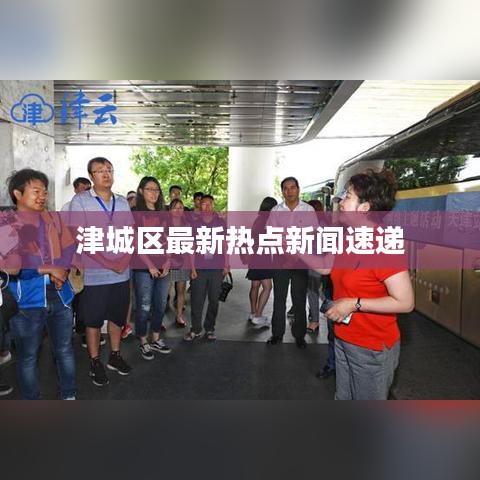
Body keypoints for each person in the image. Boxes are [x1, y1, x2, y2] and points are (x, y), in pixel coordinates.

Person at [318, 170, 414, 399]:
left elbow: (405, 302)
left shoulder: (384, 246)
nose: (341, 202)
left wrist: (354, 304)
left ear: (364, 207)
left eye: (348, 196)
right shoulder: (348, 237)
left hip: (371, 347)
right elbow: (326, 267)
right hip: (344, 337)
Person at [7, 169, 77, 400]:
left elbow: (69, 247)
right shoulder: (7, 225)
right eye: (36, 191)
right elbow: (11, 267)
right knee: (28, 357)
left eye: (44, 192)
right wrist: (48, 269)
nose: (42, 197)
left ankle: (69, 395)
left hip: (60, 294)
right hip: (26, 301)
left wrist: (62, 270)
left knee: (65, 350)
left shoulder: (53, 219)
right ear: (18, 194)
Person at [69, 157, 133, 386]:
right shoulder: (80, 201)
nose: (106, 174)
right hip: (95, 275)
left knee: (117, 318)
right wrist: (108, 262)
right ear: (91, 176)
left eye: (109, 170)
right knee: (93, 321)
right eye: (100, 171)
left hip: (121, 274)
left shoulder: (122, 202)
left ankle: (115, 356)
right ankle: (95, 362)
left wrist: (123, 259)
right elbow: (79, 236)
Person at [267, 177, 317, 348]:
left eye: (292, 187)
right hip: (280, 259)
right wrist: (288, 256)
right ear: (282, 191)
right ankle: (277, 334)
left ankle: (299, 335)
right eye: (286, 188)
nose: (289, 191)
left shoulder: (308, 210)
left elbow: (311, 236)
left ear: (298, 189)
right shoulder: (276, 210)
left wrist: (295, 257)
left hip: (301, 260)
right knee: (279, 299)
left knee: (299, 299)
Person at [132, 176, 172, 360]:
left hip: (163, 266)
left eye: (156, 189)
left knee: (161, 304)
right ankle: (143, 340)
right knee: (144, 306)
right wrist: (149, 265)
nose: (154, 193)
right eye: (149, 189)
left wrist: (168, 261)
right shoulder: (135, 213)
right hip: (143, 268)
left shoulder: (164, 212)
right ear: (141, 191)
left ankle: (155, 338)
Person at [184, 194, 229, 342]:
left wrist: (227, 264)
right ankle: (195, 329)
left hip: (217, 268)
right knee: (197, 300)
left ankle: (210, 328)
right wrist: (192, 268)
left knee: (214, 300)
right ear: (200, 206)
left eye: (210, 203)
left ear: (213, 205)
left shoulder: (221, 223)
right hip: (199, 269)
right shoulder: (195, 224)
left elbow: (225, 244)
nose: (207, 206)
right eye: (204, 204)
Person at [246, 196, 277, 328]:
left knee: (255, 286)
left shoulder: (258, 220)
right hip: (263, 258)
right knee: (267, 287)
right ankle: (258, 316)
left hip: (254, 257)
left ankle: (253, 313)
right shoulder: (268, 222)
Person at [164, 198, 196, 328]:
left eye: (180, 208)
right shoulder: (164, 224)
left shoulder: (187, 225)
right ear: (170, 210)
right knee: (164, 291)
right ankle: (160, 319)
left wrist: (193, 267)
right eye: (175, 207)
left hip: (183, 260)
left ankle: (179, 316)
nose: (178, 210)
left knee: (181, 290)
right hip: (167, 261)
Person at [306, 199, 324, 334]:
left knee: (313, 292)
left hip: (316, 263)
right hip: (319, 262)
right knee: (315, 291)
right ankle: (313, 314)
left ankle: (315, 320)